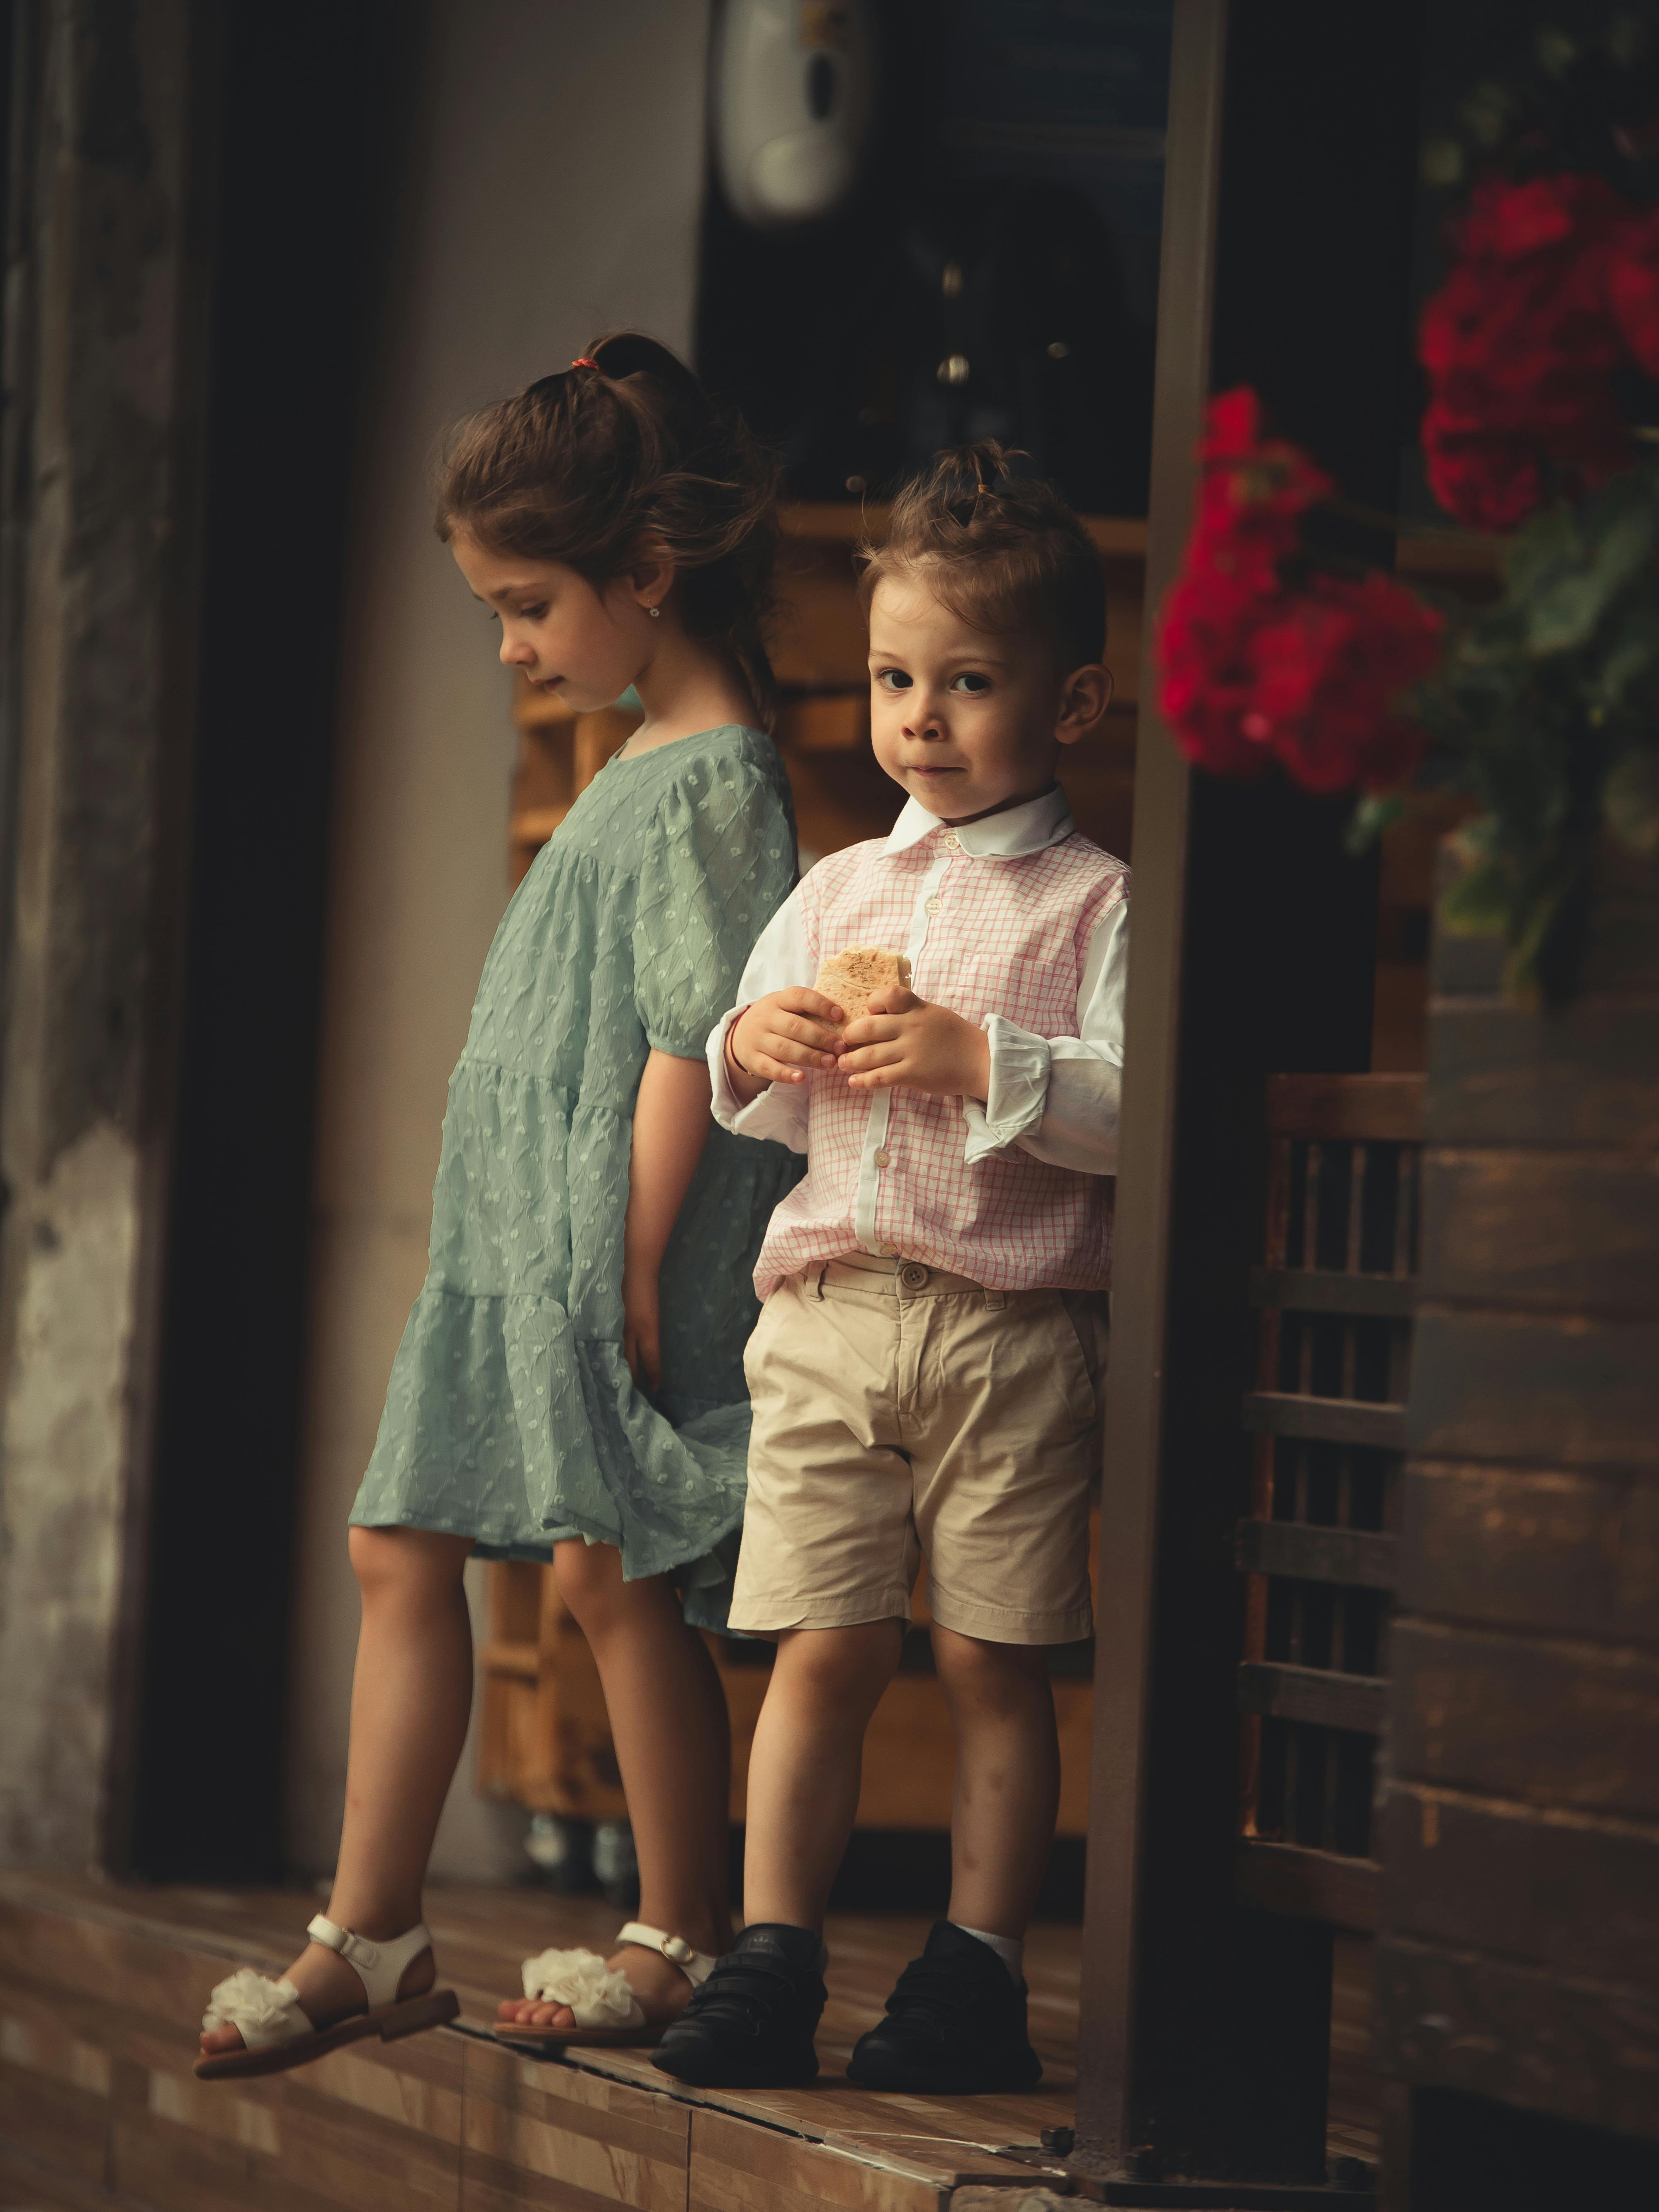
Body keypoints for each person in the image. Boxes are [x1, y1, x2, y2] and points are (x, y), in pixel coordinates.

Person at [197, 334, 801, 2081]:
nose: (515, 645)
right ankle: (368, 1930)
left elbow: (698, 1035)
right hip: (516, 1249)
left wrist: (627, 1246)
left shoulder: (714, 775)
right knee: (409, 1542)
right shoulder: (628, 759)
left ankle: (676, 1930)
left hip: (609, 1247)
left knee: (617, 1575)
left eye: (527, 604)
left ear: (647, 572)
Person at [654, 443, 1128, 2095]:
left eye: (967, 679)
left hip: (1012, 1327)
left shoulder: (1095, 906)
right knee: (823, 1642)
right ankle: (772, 1947)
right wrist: (749, 1037)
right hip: (833, 1317)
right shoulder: (837, 886)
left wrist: (980, 1056)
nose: (917, 713)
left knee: (996, 1656)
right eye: (891, 676)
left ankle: (976, 1967)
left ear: (1069, 703)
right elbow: (762, 1098)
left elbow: (1137, 1117)